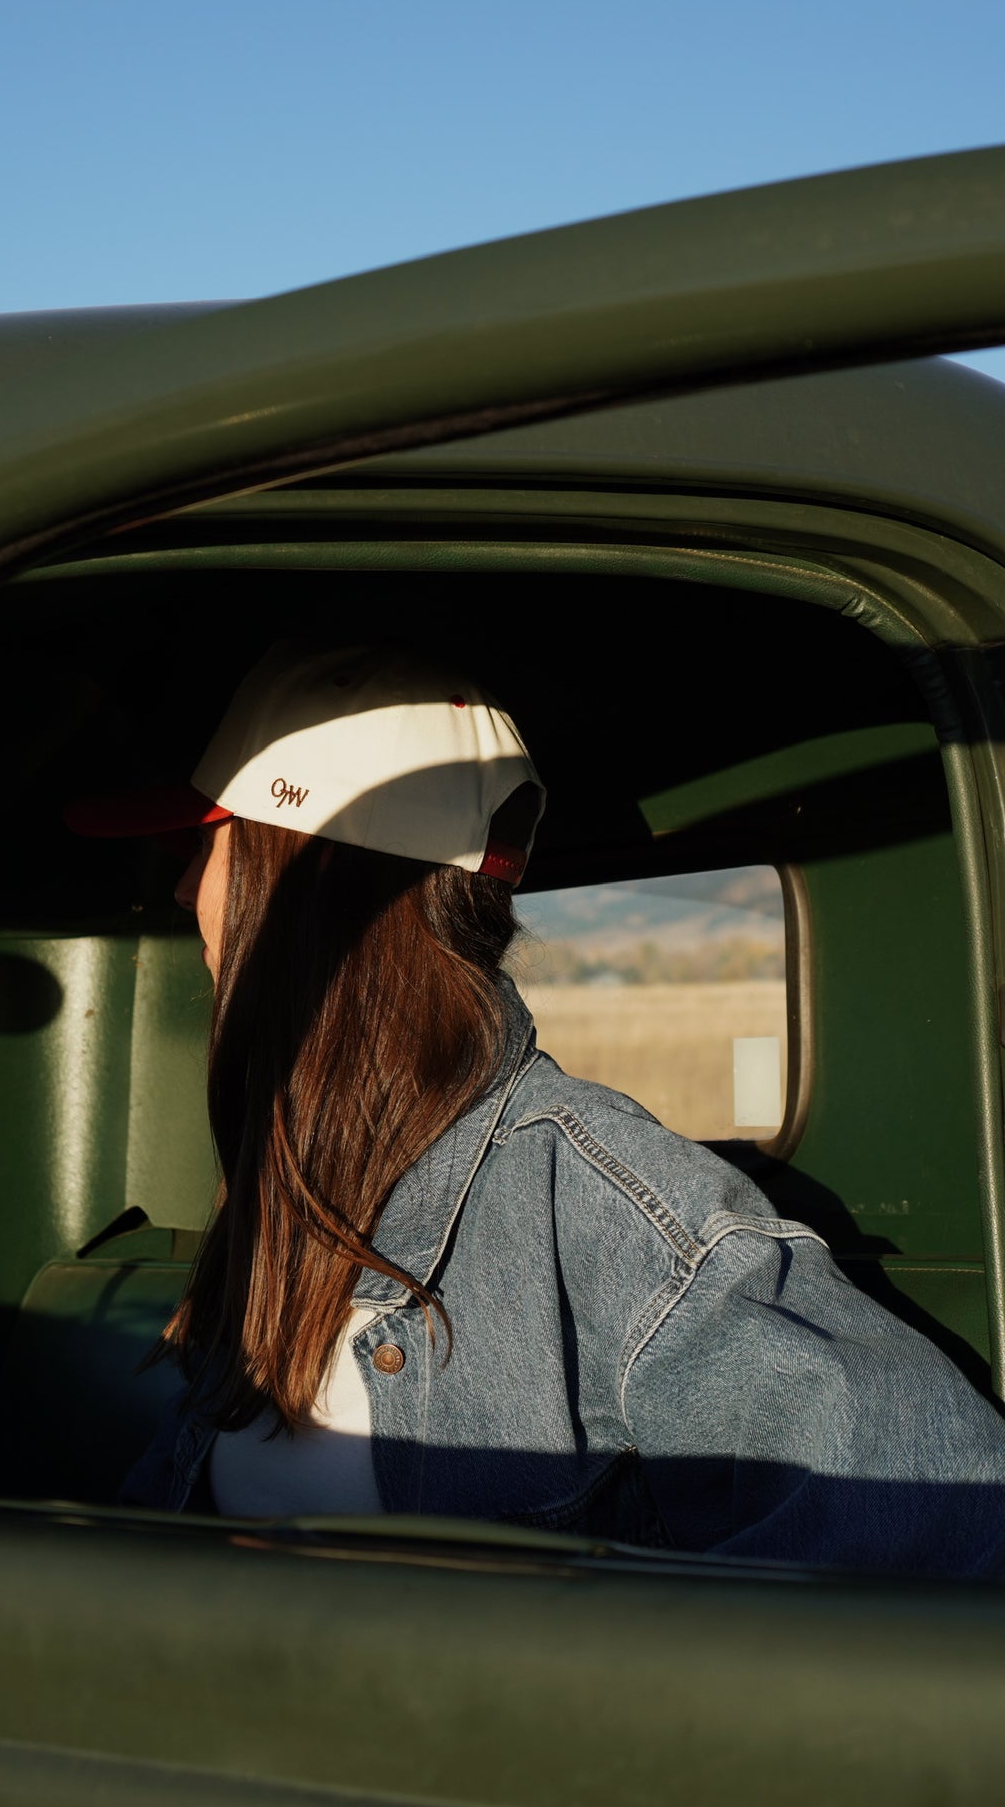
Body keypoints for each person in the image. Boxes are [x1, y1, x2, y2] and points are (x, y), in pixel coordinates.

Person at [65, 642, 1005, 1573]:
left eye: (206, 843)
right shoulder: (290, 1187)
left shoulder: (605, 1208)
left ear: (308, 874)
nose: (186, 888)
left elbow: (942, 1526)